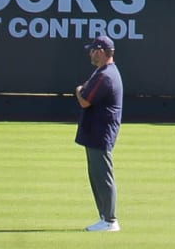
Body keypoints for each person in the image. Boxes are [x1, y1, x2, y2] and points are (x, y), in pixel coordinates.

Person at [75, 35, 123, 233]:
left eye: (93, 50)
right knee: (96, 176)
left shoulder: (105, 75)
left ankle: (110, 220)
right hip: (96, 132)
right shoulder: (103, 72)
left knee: (103, 176)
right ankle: (104, 217)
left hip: (100, 132)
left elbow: (84, 100)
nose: (90, 53)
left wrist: (78, 90)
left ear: (101, 52)